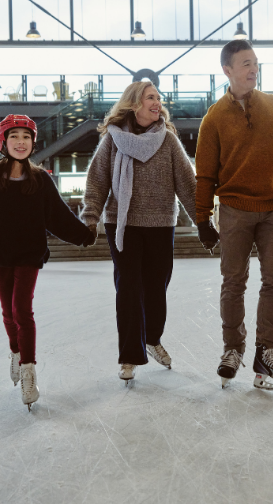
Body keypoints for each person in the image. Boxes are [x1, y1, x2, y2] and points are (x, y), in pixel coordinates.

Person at [0, 114, 96, 411]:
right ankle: (16, 352)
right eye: (14, 136)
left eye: (26, 136)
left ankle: (29, 371)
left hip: (29, 256)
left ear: (33, 142)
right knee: (8, 312)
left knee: (22, 310)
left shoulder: (40, 180)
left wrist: (83, 235)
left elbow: (57, 217)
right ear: (3, 142)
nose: (21, 142)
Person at [195, 39, 273, 391]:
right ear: (227, 70)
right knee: (233, 282)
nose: (253, 69)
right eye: (246, 63)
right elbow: (204, 174)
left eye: (256, 62)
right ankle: (232, 349)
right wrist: (202, 218)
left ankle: (267, 350)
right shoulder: (214, 118)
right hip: (232, 212)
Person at [80, 81, 197, 385]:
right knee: (129, 289)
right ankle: (129, 355)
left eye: (158, 97)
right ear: (134, 105)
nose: (157, 102)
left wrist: (204, 221)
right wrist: (90, 218)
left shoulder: (168, 141)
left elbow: (187, 184)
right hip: (123, 224)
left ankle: (152, 337)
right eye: (150, 98)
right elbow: (97, 181)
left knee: (157, 287)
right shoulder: (113, 140)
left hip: (160, 224)